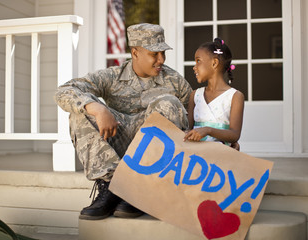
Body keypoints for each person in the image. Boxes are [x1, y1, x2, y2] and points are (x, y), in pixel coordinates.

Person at [54, 23, 193, 220]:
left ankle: (143, 188)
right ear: (135, 52)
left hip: (155, 160)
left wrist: (222, 141)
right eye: (155, 54)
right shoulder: (112, 77)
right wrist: (98, 108)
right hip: (120, 145)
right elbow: (64, 90)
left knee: (168, 103)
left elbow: (197, 117)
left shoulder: (174, 80)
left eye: (163, 53)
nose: (161, 59)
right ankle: (112, 186)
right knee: (81, 110)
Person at [183, 38, 245, 147]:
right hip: (196, 155)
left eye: (198, 61)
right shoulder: (195, 95)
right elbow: (188, 128)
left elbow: (235, 134)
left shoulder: (235, 96)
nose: (194, 67)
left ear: (214, 63)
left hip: (219, 157)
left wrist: (207, 130)